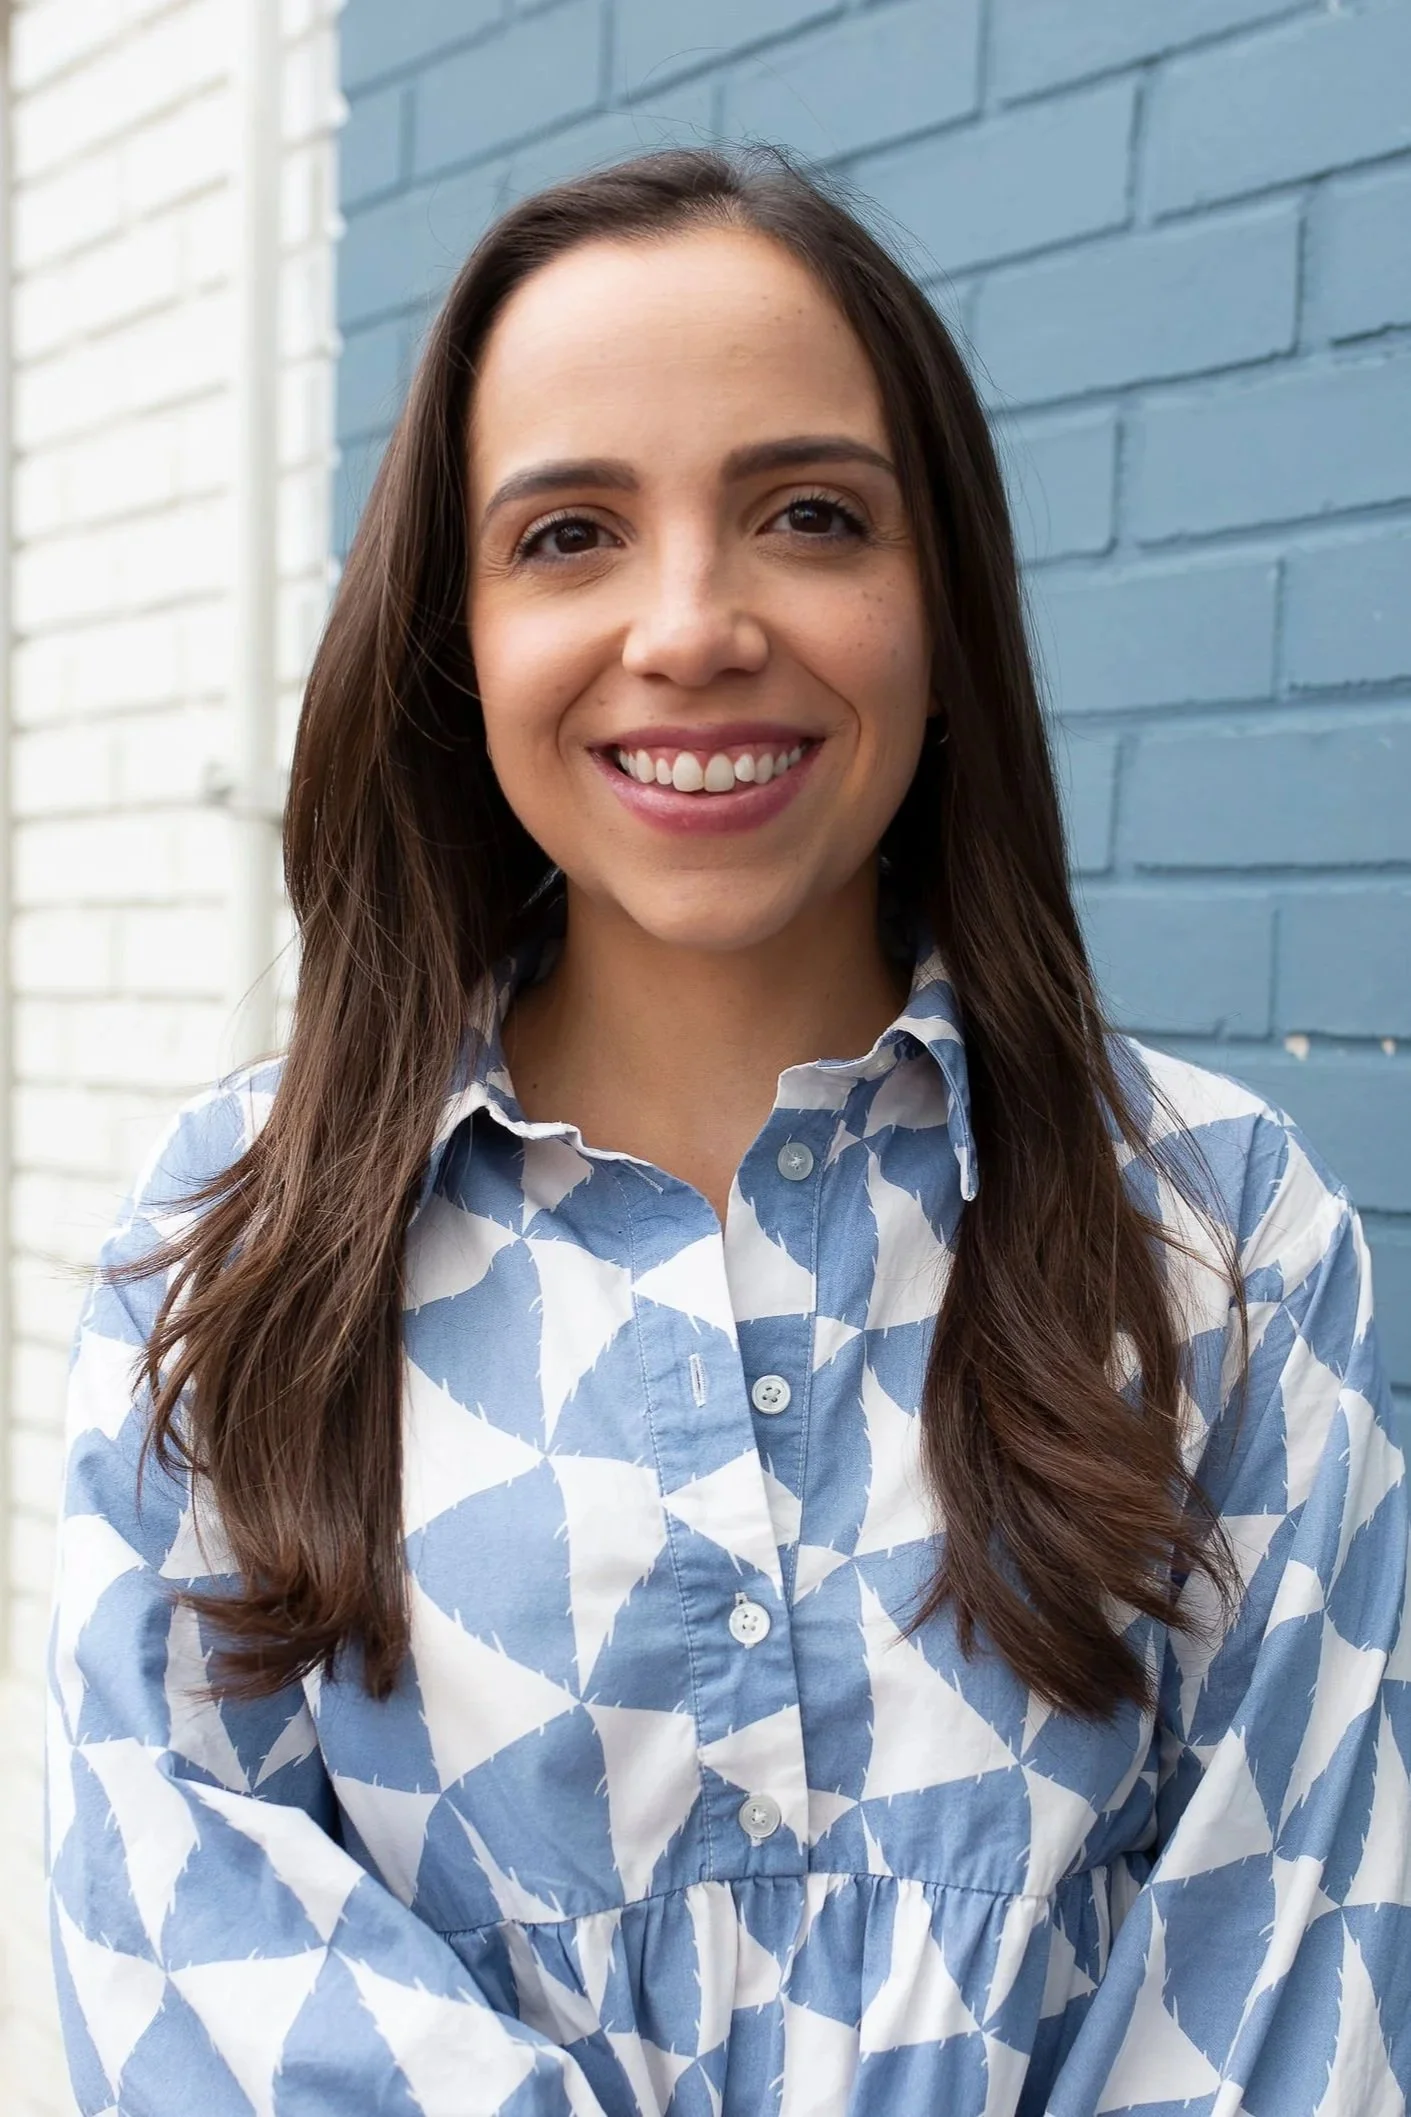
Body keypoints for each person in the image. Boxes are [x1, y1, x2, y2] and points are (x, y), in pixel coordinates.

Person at [49, 148, 1408, 2117]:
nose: (690, 625)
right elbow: (186, 1973)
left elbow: (1294, 1981)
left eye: (808, 513)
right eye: (572, 532)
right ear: (454, 633)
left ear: (941, 602)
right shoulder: (232, 1254)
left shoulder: (1228, 1235)